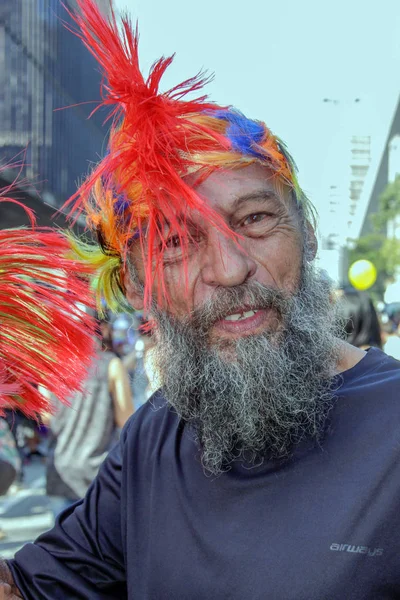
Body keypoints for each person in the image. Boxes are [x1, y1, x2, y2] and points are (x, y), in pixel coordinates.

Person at [2, 1, 400, 598]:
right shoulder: (152, 435)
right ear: (136, 284)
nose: (232, 267)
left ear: (308, 233)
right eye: (175, 243)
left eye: (257, 218)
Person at [46, 314, 134, 515]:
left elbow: (45, 415)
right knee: (102, 543)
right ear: (101, 329)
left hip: (60, 470)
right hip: (97, 472)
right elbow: (126, 419)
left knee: (61, 544)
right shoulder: (111, 365)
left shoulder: (54, 364)